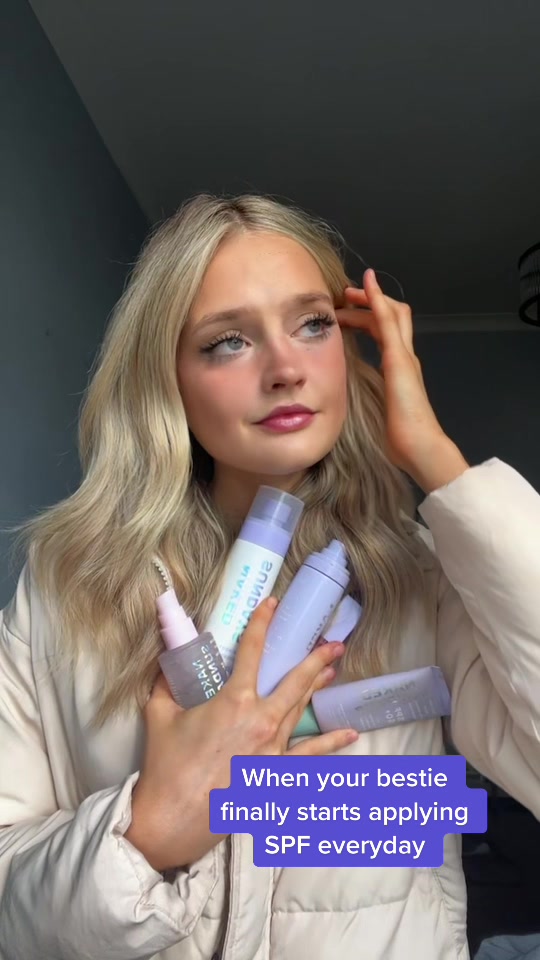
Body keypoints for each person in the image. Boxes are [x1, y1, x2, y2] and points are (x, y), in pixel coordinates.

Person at [1, 193, 539, 960]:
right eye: (228, 341)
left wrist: (439, 463)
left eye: (313, 324)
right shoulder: (68, 587)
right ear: (166, 378)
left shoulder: (418, 572)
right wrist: (153, 829)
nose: (286, 369)